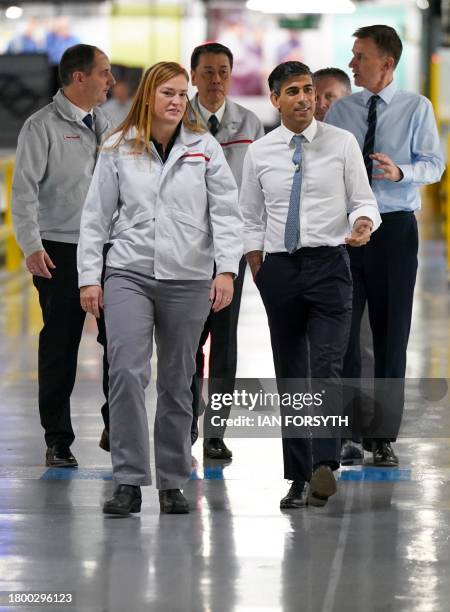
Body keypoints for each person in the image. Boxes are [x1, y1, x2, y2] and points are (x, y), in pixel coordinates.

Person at [77, 61, 242, 515]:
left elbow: (227, 213)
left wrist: (225, 269)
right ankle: (129, 480)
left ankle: (172, 480)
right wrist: (90, 277)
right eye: (167, 92)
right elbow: (95, 217)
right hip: (128, 271)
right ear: (149, 95)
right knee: (126, 371)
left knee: (177, 380)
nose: (176, 100)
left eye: (181, 93)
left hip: (188, 276)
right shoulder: (117, 146)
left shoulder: (204, 147)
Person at [239, 61, 381, 509]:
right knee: (292, 377)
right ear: (276, 99)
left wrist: (362, 222)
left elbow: (364, 200)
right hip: (280, 270)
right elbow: (249, 217)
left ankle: (323, 464)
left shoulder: (341, 143)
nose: (305, 99)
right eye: (294, 91)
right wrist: (260, 270)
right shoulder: (260, 153)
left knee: (326, 366)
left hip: (329, 267)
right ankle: (297, 477)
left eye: (310, 91)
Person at [325, 25, 444, 466]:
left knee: (392, 333)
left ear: (386, 63)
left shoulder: (417, 108)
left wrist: (400, 173)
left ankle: (383, 437)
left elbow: (434, 164)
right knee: (346, 335)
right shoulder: (342, 113)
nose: (352, 63)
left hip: (394, 229)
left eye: (360, 56)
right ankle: (351, 431)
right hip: (349, 232)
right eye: (353, 55)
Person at [11, 44, 115, 468]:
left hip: (109, 248)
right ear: (79, 78)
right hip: (60, 250)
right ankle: (57, 438)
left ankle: (117, 423)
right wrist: (31, 245)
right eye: (103, 73)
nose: (110, 80)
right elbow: (23, 190)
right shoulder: (42, 127)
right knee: (60, 344)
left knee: (121, 341)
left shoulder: (106, 124)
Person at [189, 42, 265, 459]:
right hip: (184, 247)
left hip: (229, 249)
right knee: (187, 339)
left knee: (225, 340)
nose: (215, 79)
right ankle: (186, 424)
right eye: (207, 72)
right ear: (193, 76)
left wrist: (256, 246)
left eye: (222, 71)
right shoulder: (176, 120)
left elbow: (259, 186)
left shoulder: (248, 122)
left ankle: (216, 431)